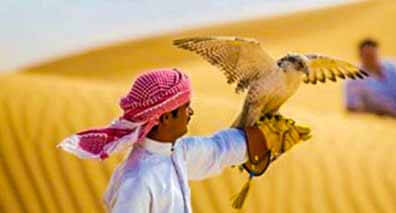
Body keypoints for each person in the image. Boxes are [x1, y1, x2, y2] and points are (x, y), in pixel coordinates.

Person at [57, 68, 311, 212]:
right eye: (185, 107)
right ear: (165, 117)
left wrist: (262, 139)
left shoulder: (177, 152)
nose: (191, 113)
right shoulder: (139, 180)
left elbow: (217, 150)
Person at [344, 38, 396, 118]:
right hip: (384, 120)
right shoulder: (354, 79)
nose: (370, 59)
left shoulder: (393, 65)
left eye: (373, 55)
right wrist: (379, 112)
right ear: (360, 56)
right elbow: (352, 109)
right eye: (367, 56)